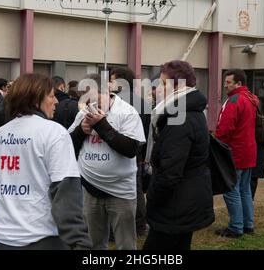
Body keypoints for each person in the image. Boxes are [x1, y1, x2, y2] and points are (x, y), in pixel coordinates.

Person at [0, 73, 92, 250]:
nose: (56, 102)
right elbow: (66, 193)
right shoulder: (54, 133)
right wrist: (79, 242)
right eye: (52, 96)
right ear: (35, 98)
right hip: (43, 239)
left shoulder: (0, 134)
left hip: (0, 240)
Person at [68, 73, 145, 250]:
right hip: (90, 190)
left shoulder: (127, 112)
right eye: (86, 101)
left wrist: (102, 126)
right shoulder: (83, 114)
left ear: (108, 91)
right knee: (93, 243)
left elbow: (131, 149)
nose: (91, 106)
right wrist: (81, 131)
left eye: (95, 99)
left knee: (125, 244)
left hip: (120, 191)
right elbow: (67, 146)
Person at [143, 60, 214, 250]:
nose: (159, 88)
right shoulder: (185, 111)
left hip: (176, 205)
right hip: (183, 201)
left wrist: (152, 197)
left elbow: (170, 173)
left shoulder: (180, 119)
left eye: (163, 83)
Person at [215, 69, 258, 238]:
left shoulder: (234, 100)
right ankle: (248, 224)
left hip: (235, 152)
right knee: (245, 189)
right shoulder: (250, 98)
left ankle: (236, 227)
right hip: (248, 150)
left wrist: (217, 145)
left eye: (228, 83)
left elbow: (224, 129)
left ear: (238, 83)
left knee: (231, 189)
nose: (225, 86)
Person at [110, 67, 151, 237]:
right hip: (138, 150)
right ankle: (140, 225)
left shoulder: (114, 102)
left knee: (115, 189)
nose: (110, 84)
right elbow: (148, 130)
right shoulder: (144, 103)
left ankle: (114, 230)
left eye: (112, 80)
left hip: (116, 149)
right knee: (136, 187)